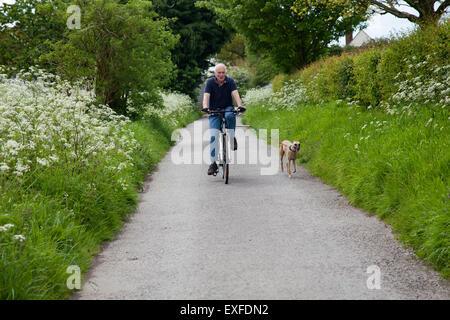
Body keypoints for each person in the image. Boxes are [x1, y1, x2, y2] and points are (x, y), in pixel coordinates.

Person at [202, 63, 244, 175]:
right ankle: (213, 163)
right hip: (214, 110)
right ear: (215, 73)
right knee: (213, 136)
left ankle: (231, 137)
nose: (221, 75)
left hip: (227, 107)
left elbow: (235, 93)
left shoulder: (230, 81)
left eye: (223, 72)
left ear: (225, 73)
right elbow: (206, 96)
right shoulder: (210, 82)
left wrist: (240, 106)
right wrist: (205, 107)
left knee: (230, 115)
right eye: (219, 73)